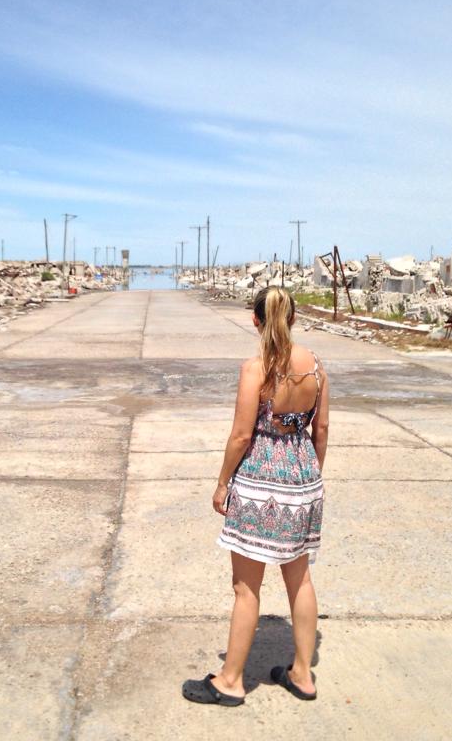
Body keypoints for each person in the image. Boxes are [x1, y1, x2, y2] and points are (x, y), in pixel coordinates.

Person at [182, 285, 329, 707]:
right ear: (294, 319)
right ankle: (302, 674)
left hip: (259, 482)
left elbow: (243, 434)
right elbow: (320, 431)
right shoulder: (317, 367)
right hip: (303, 480)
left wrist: (222, 482)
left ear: (255, 320)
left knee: (247, 588)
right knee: (298, 578)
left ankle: (230, 680)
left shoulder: (256, 368)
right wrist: (309, 479)